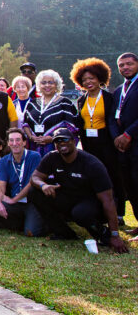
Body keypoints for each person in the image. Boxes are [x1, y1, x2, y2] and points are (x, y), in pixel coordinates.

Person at [30, 128, 128, 253]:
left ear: (73, 141)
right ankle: (64, 232)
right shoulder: (52, 157)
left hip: (91, 201)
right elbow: (35, 178)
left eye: (65, 139)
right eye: (57, 141)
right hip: (68, 197)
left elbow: (108, 200)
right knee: (34, 192)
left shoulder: (91, 163)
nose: (61, 143)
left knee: (80, 213)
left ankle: (103, 233)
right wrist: (43, 185)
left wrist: (115, 234)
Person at [70, 57, 126, 224]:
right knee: (93, 176)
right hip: (88, 142)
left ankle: (119, 213)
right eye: (85, 79)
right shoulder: (81, 100)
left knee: (113, 175)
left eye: (92, 78)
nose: (88, 82)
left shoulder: (110, 98)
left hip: (107, 142)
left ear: (100, 79)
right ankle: (99, 211)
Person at [0, 127, 44, 236]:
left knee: (32, 233)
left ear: (24, 142)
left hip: (31, 202)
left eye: (18, 140)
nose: (15, 143)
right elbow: (0, 186)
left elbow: (31, 183)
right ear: (8, 143)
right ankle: (21, 225)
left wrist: (14, 199)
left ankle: (36, 223)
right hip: (16, 203)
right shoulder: (4, 160)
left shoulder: (34, 157)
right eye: (11, 140)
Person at [21, 69, 77, 157]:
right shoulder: (33, 103)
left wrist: (52, 138)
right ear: (39, 85)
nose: (47, 85)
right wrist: (31, 137)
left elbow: (71, 128)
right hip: (33, 147)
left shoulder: (65, 103)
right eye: (43, 83)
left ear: (57, 84)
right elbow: (25, 123)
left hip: (56, 148)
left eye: (51, 82)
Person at [112, 52, 138, 237]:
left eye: (129, 64)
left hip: (135, 142)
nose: (125, 68)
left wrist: (129, 134)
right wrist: (117, 137)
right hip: (122, 147)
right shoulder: (118, 90)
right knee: (130, 185)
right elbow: (112, 117)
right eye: (121, 65)